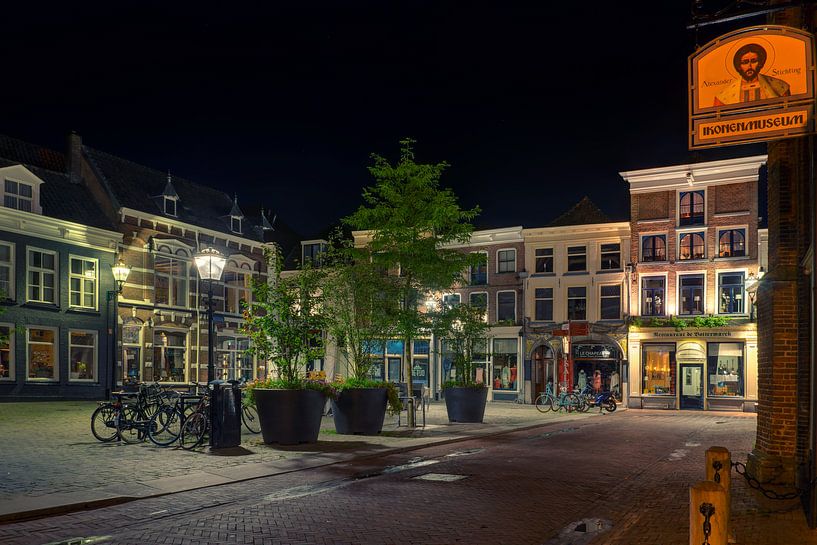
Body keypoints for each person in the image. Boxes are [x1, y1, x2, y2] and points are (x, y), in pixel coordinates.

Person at [714, 43, 790, 106]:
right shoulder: (723, 97)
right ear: (739, 66)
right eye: (745, 62)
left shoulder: (779, 86)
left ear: (760, 63)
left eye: (754, 61)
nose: (749, 66)